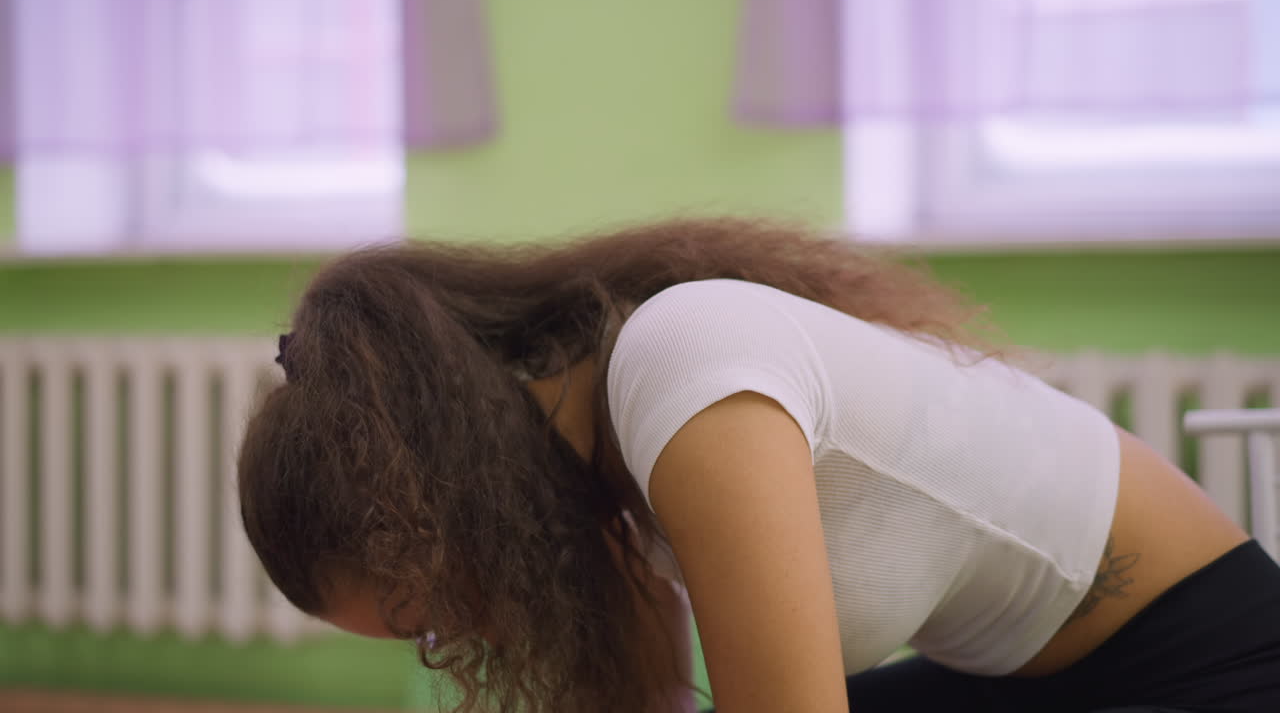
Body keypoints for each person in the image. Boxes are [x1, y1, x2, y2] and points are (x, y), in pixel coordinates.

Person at [237, 218, 1280, 713]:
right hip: (1020, 679)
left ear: (436, 494)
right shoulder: (583, 469)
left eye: (425, 610)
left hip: (1206, 664)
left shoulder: (682, 381)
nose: (449, 638)